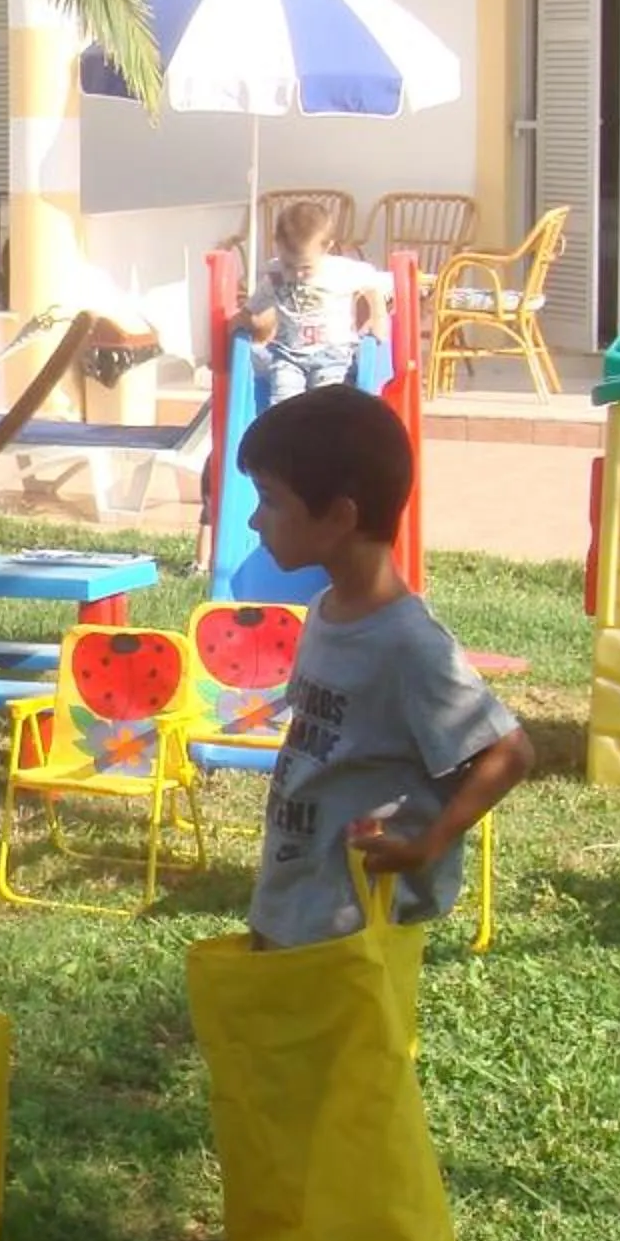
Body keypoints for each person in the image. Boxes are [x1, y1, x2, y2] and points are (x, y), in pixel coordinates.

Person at [236, 386, 534, 948]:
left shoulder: (407, 643)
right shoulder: (325, 610)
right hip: (293, 892)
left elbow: (510, 751)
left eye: (271, 500)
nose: (255, 521)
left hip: (351, 917)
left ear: (340, 517)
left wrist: (429, 844)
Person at [238, 198, 386, 410]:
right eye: (289, 264)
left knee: (326, 403)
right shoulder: (275, 275)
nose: (297, 274)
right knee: (283, 403)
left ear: (327, 248)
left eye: (306, 267)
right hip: (287, 354)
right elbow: (252, 309)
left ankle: (323, 439)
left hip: (332, 353)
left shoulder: (340, 271)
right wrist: (240, 325)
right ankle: (287, 439)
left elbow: (373, 282)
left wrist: (378, 316)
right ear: (277, 246)